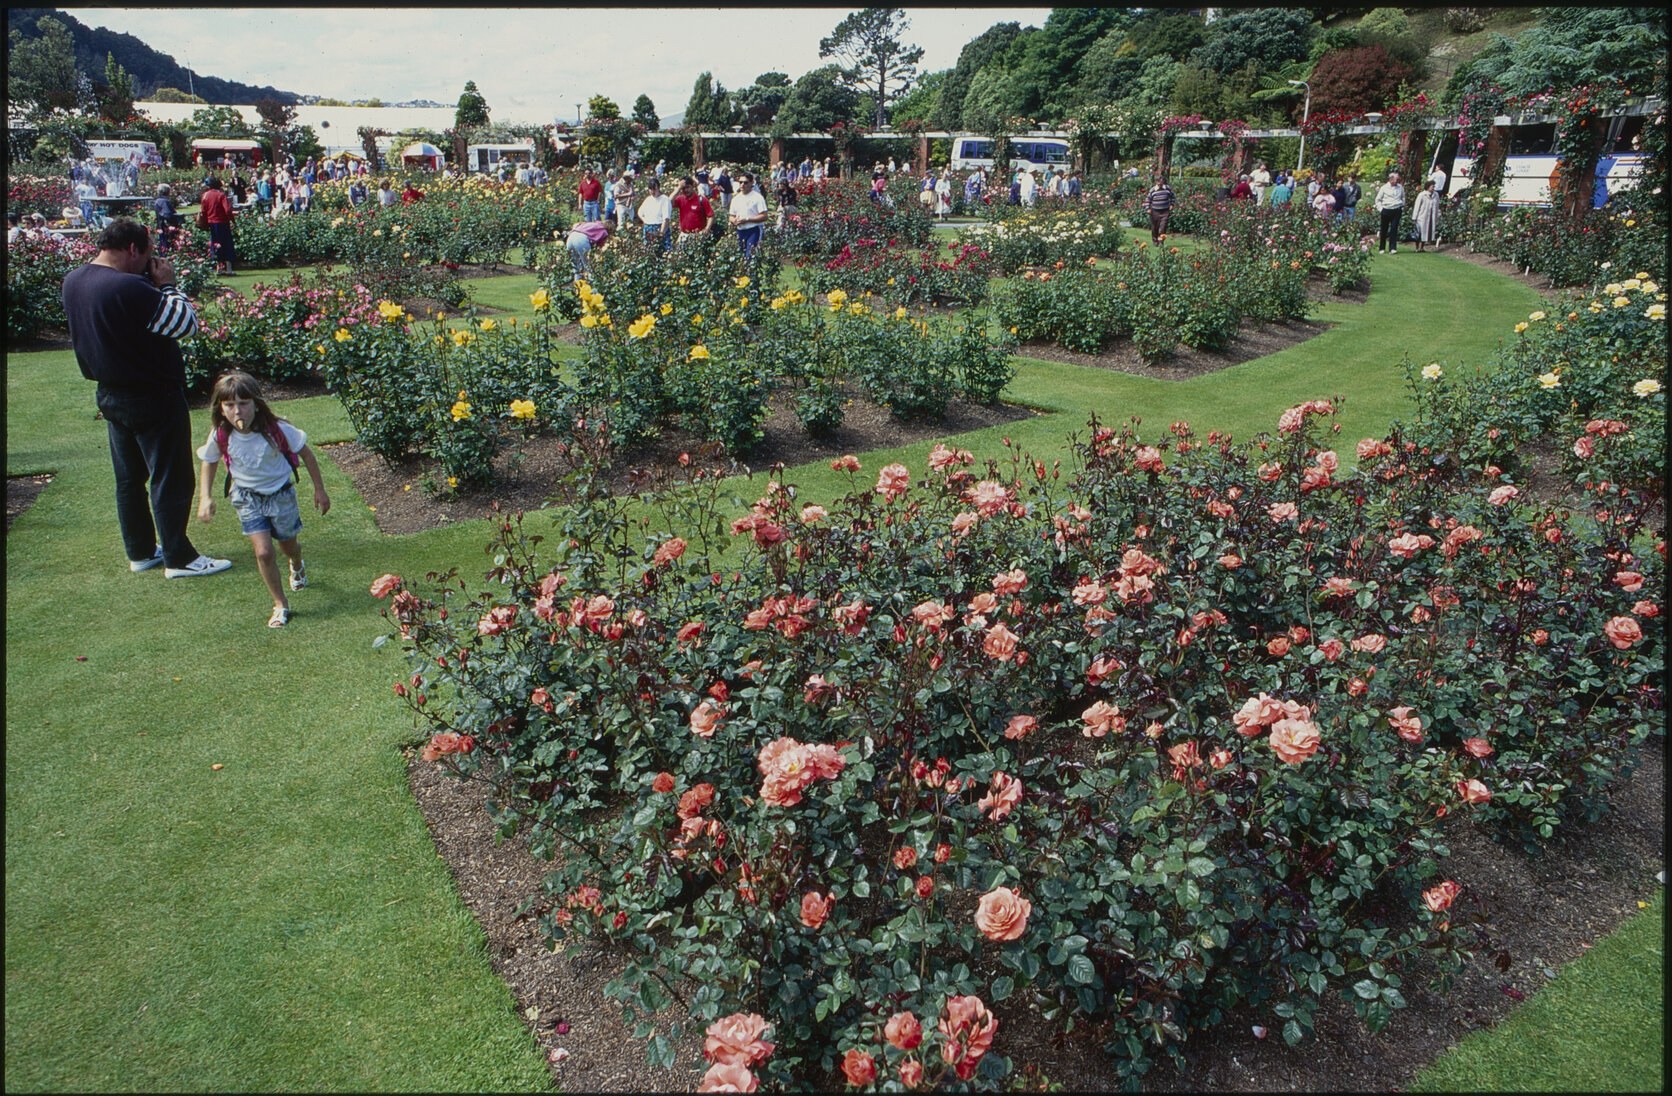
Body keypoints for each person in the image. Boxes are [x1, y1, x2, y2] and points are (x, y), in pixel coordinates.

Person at [62, 219, 231, 579]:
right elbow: (185, 324)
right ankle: (178, 558)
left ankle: (140, 552)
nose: (150, 262)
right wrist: (167, 284)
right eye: (148, 254)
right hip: (153, 394)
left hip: (111, 394)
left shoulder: (74, 280)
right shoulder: (126, 285)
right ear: (132, 249)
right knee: (171, 477)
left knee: (129, 479)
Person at [194, 371, 330, 627]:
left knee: (288, 546)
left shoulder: (277, 429)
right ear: (221, 409)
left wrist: (320, 490)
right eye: (229, 405)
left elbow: (307, 456)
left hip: (280, 495)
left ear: (256, 404)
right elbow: (209, 461)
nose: (237, 411)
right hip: (247, 497)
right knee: (264, 551)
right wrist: (205, 497)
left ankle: (296, 562)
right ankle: (280, 604)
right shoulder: (221, 434)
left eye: (243, 403)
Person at [729, 172, 769, 260]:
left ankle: (751, 268)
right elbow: (731, 216)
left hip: (753, 230)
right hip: (740, 231)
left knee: (750, 257)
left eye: (745, 182)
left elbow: (764, 216)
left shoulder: (757, 197)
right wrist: (734, 220)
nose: (742, 185)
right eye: (740, 182)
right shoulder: (736, 199)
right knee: (741, 257)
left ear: (751, 183)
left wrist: (747, 219)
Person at [200, 177, 236, 274]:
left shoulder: (205, 195)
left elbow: (203, 211)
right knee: (227, 244)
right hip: (222, 222)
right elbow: (227, 210)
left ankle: (218, 268)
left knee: (215, 244)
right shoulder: (221, 195)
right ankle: (229, 269)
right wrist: (233, 221)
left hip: (211, 223)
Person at [671, 175, 713, 249]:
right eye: (683, 188)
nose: (686, 190)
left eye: (688, 187)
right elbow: (668, 202)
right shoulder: (680, 199)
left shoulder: (702, 200)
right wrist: (678, 188)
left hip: (697, 235)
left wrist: (707, 229)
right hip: (684, 235)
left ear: (693, 186)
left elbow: (711, 216)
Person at [1374, 171, 1406, 254]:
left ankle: (1392, 248)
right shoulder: (1384, 188)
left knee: (1394, 228)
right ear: (1391, 180)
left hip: (1396, 210)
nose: (1398, 180)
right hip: (1386, 210)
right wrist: (1381, 209)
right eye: (1396, 179)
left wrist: (1401, 206)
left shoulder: (1400, 187)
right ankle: (1382, 248)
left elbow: (1403, 197)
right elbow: (1378, 199)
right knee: (1384, 229)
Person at [637, 176, 672, 251]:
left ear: (658, 188)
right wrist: (645, 220)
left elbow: (666, 219)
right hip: (648, 228)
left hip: (659, 227)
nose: (652, 192)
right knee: (648, 251)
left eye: (654, 189)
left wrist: (661, 234)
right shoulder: (648, 200)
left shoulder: (665, 199)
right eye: (650, 189)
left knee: (662, 250)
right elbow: (640, 212)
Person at [151, 183, 184, 253]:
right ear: (167, 192)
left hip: (160, 226)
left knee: (163, 246)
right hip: (167, 228)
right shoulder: (164, 201)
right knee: (169, 246)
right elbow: (167, 214)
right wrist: (176, 220)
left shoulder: (158, 201)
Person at [1144, 176, 1175, 243]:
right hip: (1155, 211)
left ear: (1163, 181)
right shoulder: (1153, 190)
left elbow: (1172, 196)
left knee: (1163, 227)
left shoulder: (1167, 188)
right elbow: (1148, 199)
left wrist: (1172, 204)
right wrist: (1148, 208)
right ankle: (1155, 241)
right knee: (1155, 227)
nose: (1160, 183)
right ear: (1156, 182)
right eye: (1158, 181)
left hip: (1165, 211)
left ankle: (1161, 241)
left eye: (1161, 181)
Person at [1411, 179, 1440, 251]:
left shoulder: (1436, 195)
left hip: (1431, 216)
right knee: (1419, 232)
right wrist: (1414, 217)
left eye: (1434, 186)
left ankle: (1422, 247)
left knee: (1426, 232)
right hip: (1422, 216)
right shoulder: (1422, 195)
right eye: (1432, 186)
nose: (1433, 187)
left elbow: (1437, 206)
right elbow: (1417, 206)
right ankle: (1417, 248)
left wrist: (1437, 215)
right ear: (1428, 186)